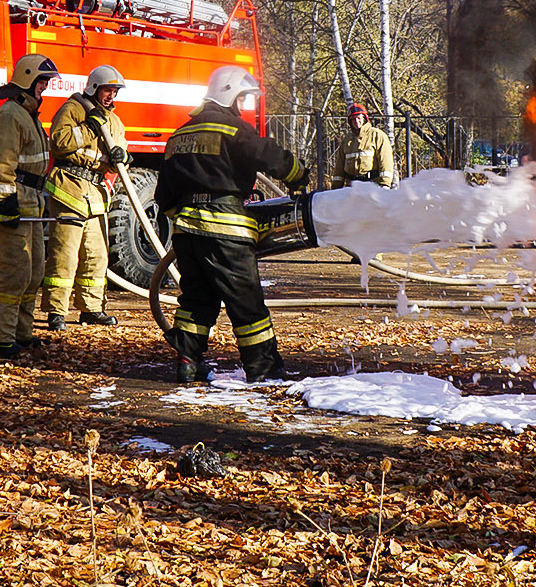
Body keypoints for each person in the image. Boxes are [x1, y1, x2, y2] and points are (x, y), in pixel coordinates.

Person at [155, 65, 309, 383]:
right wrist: (298, 174)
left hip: (186, 234)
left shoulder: (178, 135)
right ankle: (263, 368)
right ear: (230, 96)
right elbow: (269, 156)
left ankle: (187, 361)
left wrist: (185, 221)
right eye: (243, 98)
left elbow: (163, 196)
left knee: (197, 298)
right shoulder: (232, 128)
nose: (244, 105)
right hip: (226, 232)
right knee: (246, 302)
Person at [40, 65, 130, 331]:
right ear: (94, 88)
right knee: (64, 255)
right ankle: (56, 311)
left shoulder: (113, 120)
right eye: (107, 90)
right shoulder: (74, 110)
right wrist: (89, 128)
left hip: (95, 193)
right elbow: (59, 143)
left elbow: (121, 153)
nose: (111, 96)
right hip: (69, 189)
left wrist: (121, 158)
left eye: (114, 91)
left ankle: (91, 309)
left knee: (96, 255)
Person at [0, 54, 58, 359]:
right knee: (11, 272)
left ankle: (21, 333)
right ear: (26, 80)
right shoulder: (11, 115)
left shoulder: (29, 116)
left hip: (33, 206)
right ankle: (0, 338)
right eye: (42, 82)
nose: (44, 88)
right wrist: (5, 201)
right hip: (16, 205)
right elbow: (0, 161)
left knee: (32, 271)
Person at [334, 102, 397, 188]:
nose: (356, 121)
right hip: (352, 188)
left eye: (359, 118)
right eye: (353, 119)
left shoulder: (377, 136)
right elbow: (339, 167)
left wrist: (385, 184)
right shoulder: (347, 140)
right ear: (350, 122)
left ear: (364, 119)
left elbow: (386, 162)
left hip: (372, 186)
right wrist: (336, 188)